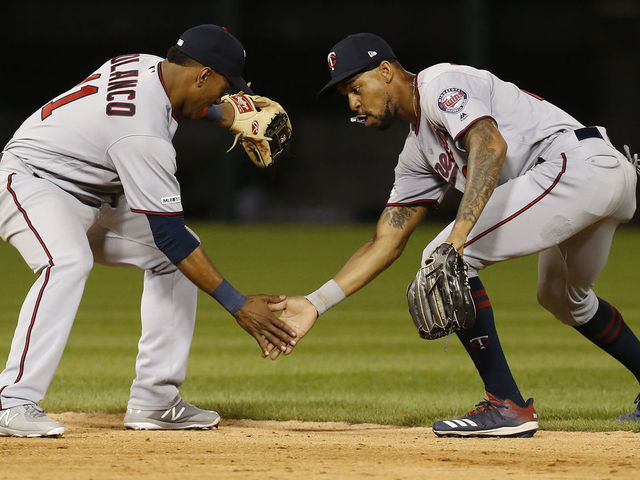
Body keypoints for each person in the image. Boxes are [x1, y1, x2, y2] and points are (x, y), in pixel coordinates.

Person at [275, 33, 640, 437]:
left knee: (445, 257)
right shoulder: (418, 153)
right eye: (346, 94)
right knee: (563, 299)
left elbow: (489, 145)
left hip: (575, 167)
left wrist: (458, 239)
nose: (353, 103)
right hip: (595, 176)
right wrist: (315, 302)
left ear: (386, 71)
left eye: (356, 87)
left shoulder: (439, 85)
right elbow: (387, 241)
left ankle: (507, 406)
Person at [0, 24, 296, 438]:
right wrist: (238, 304)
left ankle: (155, 400)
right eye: (224, 88)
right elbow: (169, 235)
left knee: (177, 262)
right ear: (203, 74)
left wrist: (223, 114)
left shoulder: (143, 62)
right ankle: (12, 400)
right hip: (31, 181)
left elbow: (167, 100)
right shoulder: (142, 136)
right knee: (67, 261)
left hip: (91, 189)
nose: (225, 97)